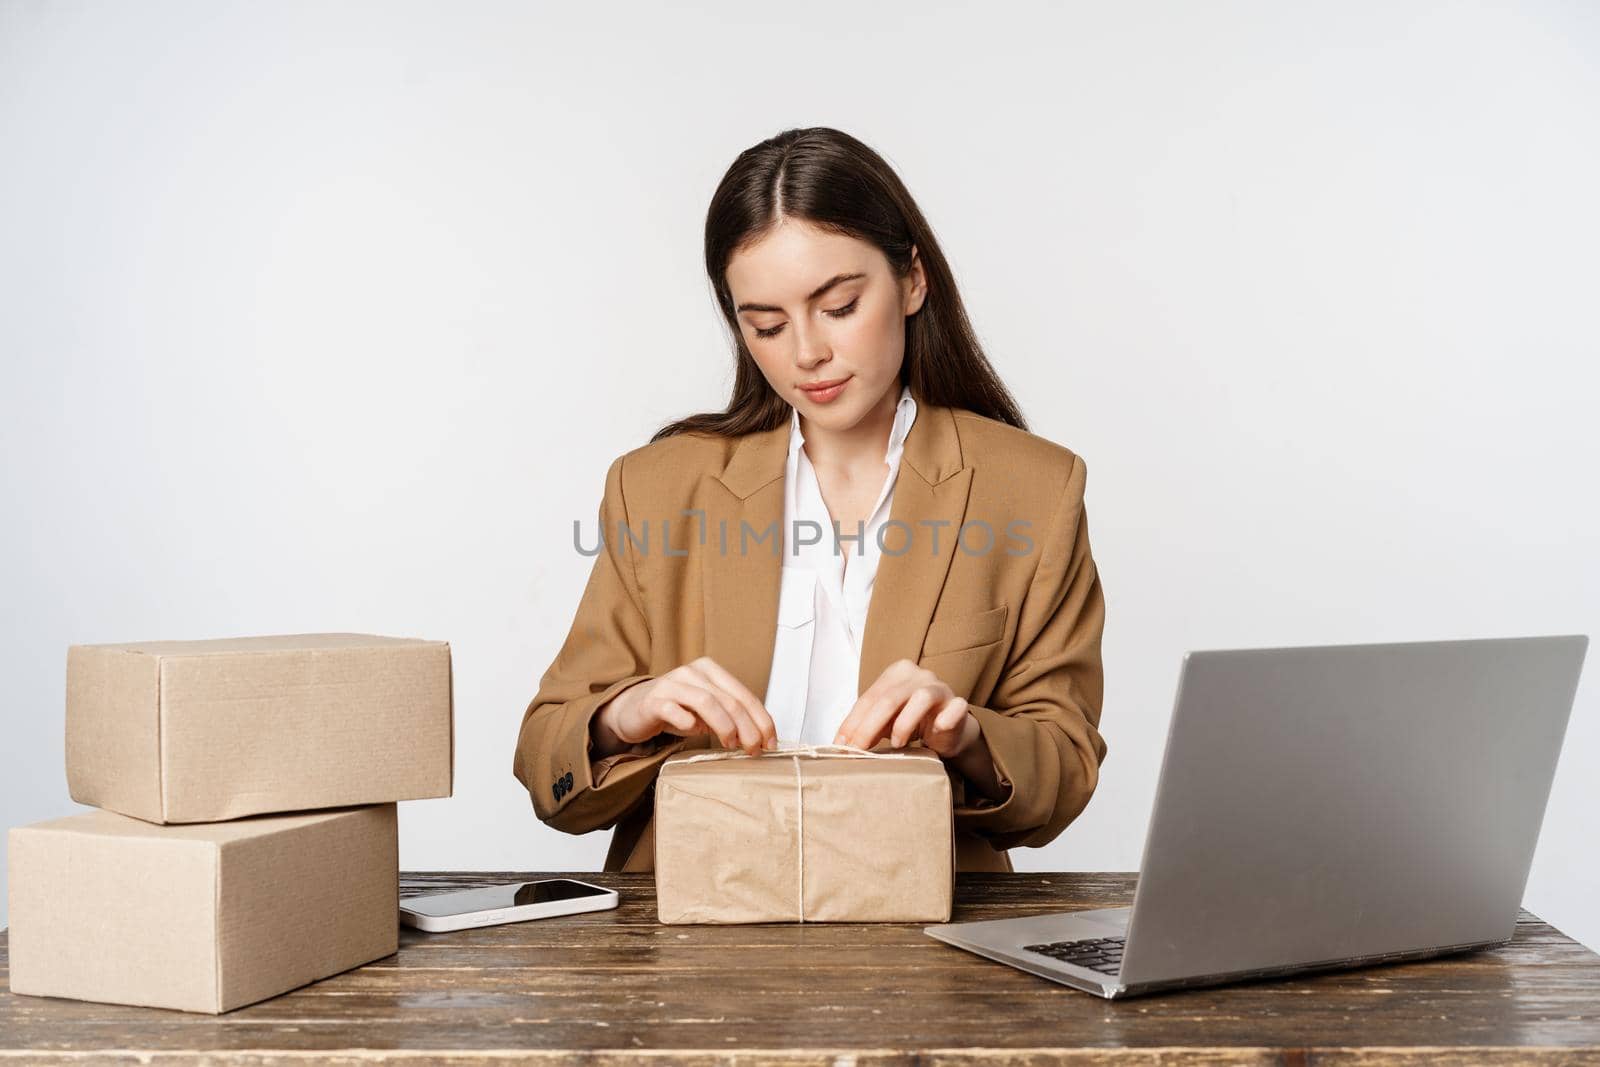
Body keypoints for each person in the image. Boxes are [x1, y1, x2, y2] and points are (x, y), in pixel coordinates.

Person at [513, 126, 1107, 874]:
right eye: (766, 324)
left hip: (923, 931)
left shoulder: (1034, 491)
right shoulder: (658, 489)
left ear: (913, 281)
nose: (805, 354)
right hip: (689, 929)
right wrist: (624, 714)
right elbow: (544, 762)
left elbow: (1066, 761)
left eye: (838, 307)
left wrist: (969, 737)